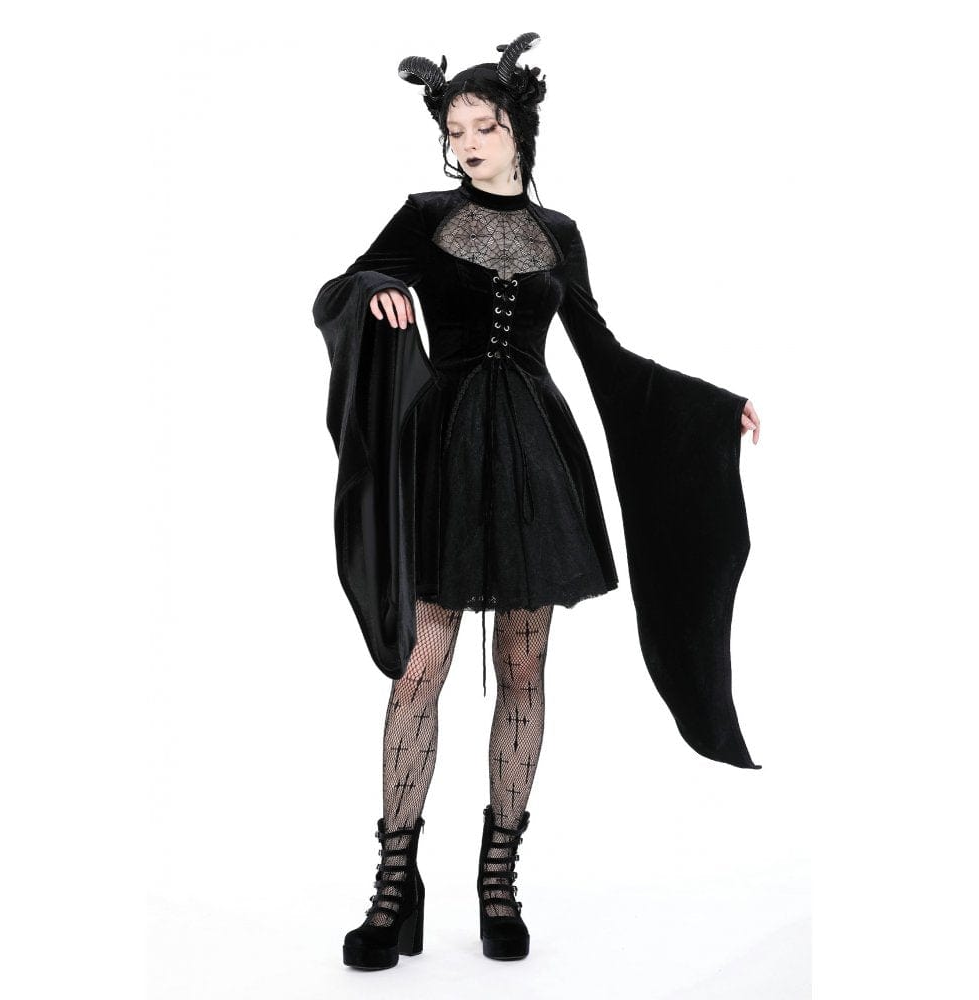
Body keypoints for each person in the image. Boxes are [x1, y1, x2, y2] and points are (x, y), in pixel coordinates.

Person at [312, 32, 762, 970]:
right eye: (456, 130)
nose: (469, 143)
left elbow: (603, 352)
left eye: (484, 126)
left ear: (518, 129)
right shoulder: (425, 215)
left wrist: (714, 408)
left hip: (533, 460)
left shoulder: (561, 234)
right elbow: (342, 288)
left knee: (522, 666)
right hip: (442, 452)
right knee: (421, 665)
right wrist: (380, 285)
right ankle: (395, 882)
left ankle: (498, 877)